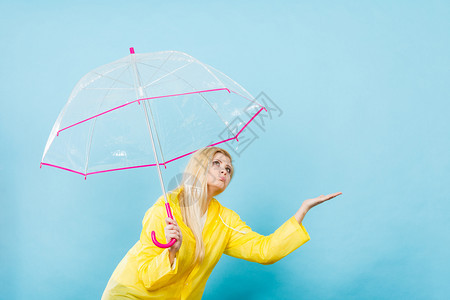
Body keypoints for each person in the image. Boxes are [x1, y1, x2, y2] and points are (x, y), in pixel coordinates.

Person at [101, 147, 342, 299]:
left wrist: (302, 210)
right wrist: (171, 254)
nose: (224, 170)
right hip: (132, 294)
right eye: (216, 163)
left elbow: (264, 250)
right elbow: (146, 277)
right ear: (198, 167)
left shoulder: (226, 221)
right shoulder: (164, 211)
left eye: (228, 168)